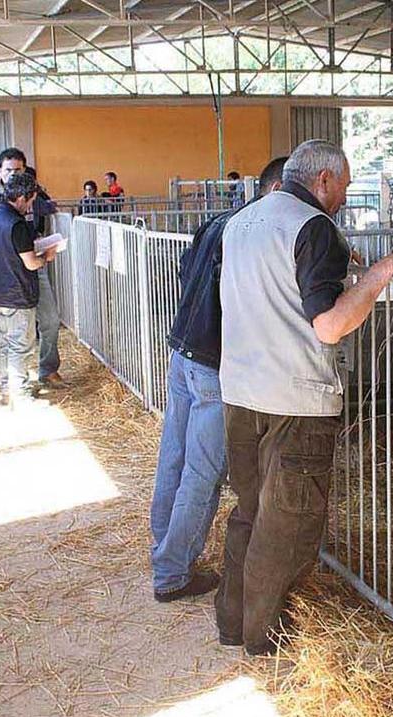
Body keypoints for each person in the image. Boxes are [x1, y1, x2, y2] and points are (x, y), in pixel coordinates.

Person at [213, 140, 393, 654]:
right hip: (295, 397)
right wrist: (382, 272)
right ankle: (264, 636)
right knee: (285, 522)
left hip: (241, 393)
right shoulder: (314, 228)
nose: (345, 195)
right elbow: (330, 326)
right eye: (346, 185)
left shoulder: (241, 221)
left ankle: (232, 620)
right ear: (325, 179)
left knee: (249, 508)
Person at [149, 156, 287, 604]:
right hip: (214, 361)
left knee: (174, 454)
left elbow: (189, 274)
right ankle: (172, 572)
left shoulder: (217, 222)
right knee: (202, 472)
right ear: (279, 189)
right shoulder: (257, 233)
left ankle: (162, 545)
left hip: (184, 349)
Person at [0, 148, 65, 389]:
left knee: (48, 320)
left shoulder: (33, 194)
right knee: (16, 337)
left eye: (18, 170)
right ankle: (16, 386)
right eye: (8, 170)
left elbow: (49, 210)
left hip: (31, 264)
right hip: (13, 273)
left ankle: (47, 369)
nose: (13, 174)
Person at [0, 172, 58, 409]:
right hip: (16, 294)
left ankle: (8, 389)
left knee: (6, 343)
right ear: (22, 197)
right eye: (31, 200)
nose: (31, 205)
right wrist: (47, 255)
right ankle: (21, 395)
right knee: (20, 347)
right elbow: (31, 263)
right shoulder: (17, 224)